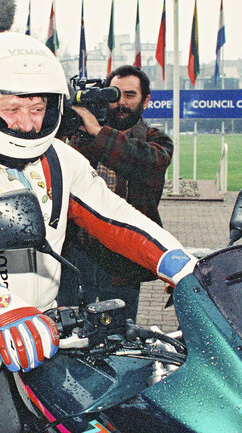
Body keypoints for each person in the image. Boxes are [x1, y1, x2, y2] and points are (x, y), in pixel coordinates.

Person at [0, 32, 197, 433]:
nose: (26, 122)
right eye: (10, 107)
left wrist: (180, 263)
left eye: (38, 107)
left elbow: (113, 213)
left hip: (46, 331)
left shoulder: (57, 158)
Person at [57, 64, 172, 316]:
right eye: (115, 94)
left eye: (130, 95)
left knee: (120, 331)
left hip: (123, 262)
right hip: (78, 256)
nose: (121, 103)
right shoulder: (80, 137)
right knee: (71, 329)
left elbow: (146, 161)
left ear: (146, 100)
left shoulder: (156, 141)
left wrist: (98, 132)